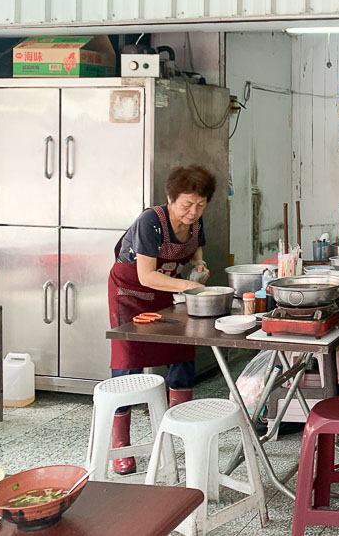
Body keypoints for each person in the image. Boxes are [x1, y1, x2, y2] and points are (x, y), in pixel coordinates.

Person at [107, 164, 216, 474]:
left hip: (165, 289)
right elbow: (145, 274)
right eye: (186, 204)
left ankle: (180, 430)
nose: (193, 212)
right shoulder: (150, 221)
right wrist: (190, 286)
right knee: (128, 359)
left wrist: (200, 268)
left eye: (200, 204)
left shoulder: (196, 221)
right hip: (129, 292)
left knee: (182, 350)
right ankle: (120, 446)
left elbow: (197, 253)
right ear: (170, 198)